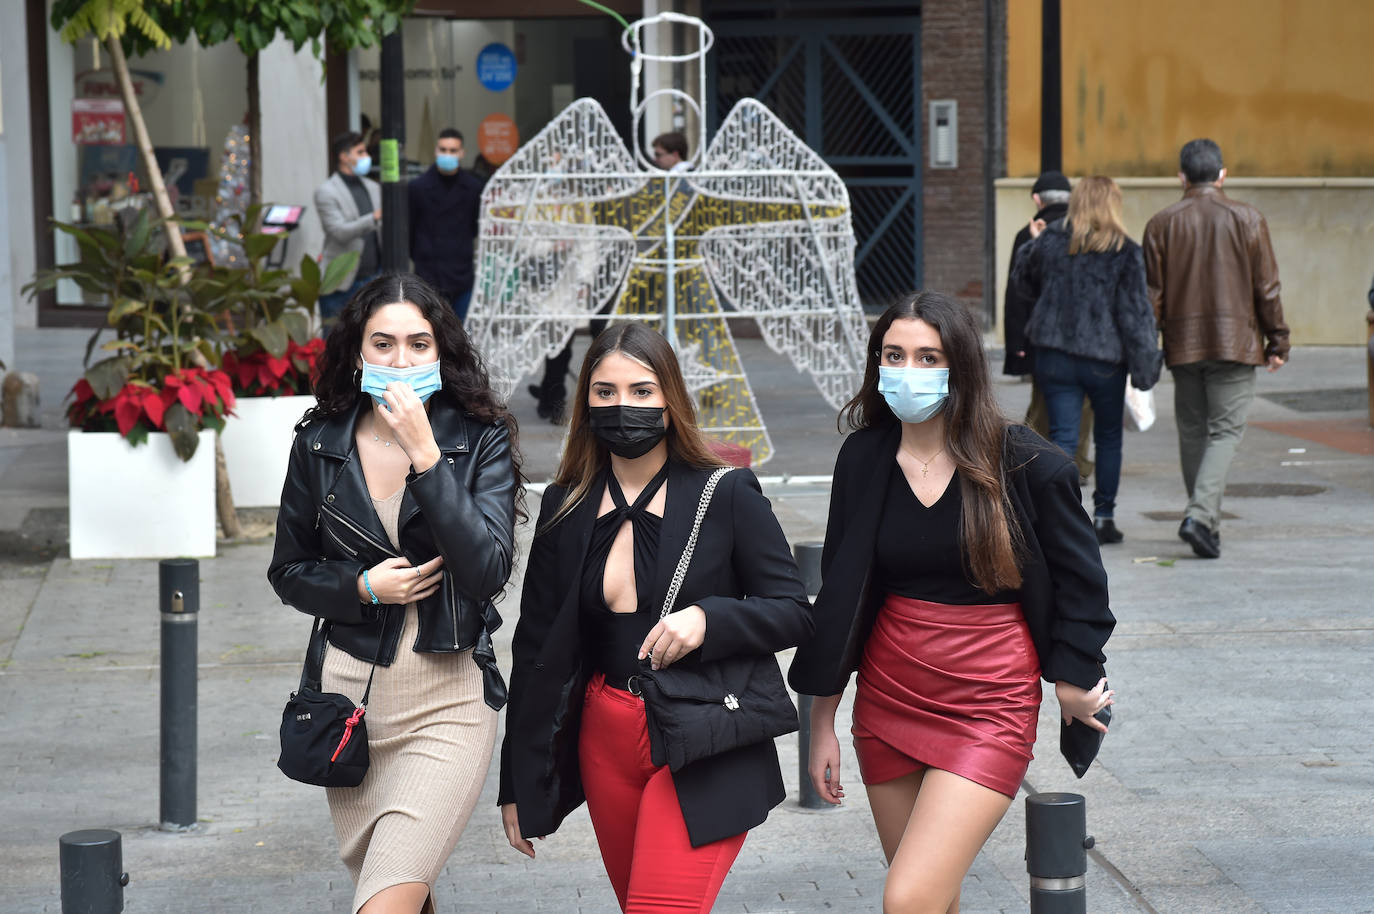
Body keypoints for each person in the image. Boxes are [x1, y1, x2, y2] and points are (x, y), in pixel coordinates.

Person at [788, 291, 1116, 914]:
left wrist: (1074, 678)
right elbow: (840, 596)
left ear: (959, 366)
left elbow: (1084, 585)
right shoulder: (863, 459)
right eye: (893, 354)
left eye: (926, 356)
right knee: (933, 902)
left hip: (987, 701)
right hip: (889, 697)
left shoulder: (1028, 464)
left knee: (907, 899)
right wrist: (822, 721)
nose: (906, 370)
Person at [499, 322, 812, 912]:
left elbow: (793, 612)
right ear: (585, 403)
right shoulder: (565, 505)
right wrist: (517, 783)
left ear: (671, 398)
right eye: (605, 392)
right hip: (604, 734)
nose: (623, 407)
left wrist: (708, 619)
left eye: (642, 392)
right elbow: (537, 649)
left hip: (702, 734)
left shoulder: (726, 494)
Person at [268, 273, 519, 914]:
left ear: (441, 353)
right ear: (358, 353)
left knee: (383, 902)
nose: (400, 361)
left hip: (448, 700)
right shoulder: (319, 443)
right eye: (383, 344)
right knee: (398, 893)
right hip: (350, 705)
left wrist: (426, 454)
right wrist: (361, 587)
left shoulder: (478, 437)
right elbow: (288, 570)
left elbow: (488, 569)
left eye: (418, 344)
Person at [1143, 139, 1290, 559]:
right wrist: (1277, 338)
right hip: (1235, 343)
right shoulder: (1248, 218)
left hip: (1183, 344)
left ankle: (1204, 520)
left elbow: (1152, 297)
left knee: (1193, 431)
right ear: (1223, 174)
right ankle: (1201, 516)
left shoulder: (1161, 223)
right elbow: (1267, 288)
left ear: (1181, 177)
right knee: (1225, 432)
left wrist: (1147, 347)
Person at [1011, 176, 1161, 544]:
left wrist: (1031, 247)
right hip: (1105, 359)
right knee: (1108, 438)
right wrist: (1145, 369)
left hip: (1055, 354)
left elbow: (1022, 283)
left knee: (1062, 435)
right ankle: (1104, 517)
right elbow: (1136, 316)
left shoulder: (1050, 241)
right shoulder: (1126, 250)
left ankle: (1061, 517)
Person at [1003, 170, 1094, 480]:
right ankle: (1078, 464)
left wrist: (1017, 348)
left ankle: (1029, 462)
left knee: (1042, 405)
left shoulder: (1029, 236)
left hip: (1043, 341)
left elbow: (1017, 296)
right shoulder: (1090, 232)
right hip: (1088, 340)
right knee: (1083, 405)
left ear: (1036, 199)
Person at [408, 128, 483, 321]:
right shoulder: (417, 187)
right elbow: (410, 229)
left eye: (452, 150)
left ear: (461, 153)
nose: (447, 154)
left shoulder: (473, 188)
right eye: (443, 149)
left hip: (461, 274)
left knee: (461, 335)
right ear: (436, 151)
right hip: (429, 274)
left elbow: (475, 226)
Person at [317, 132, 383, 323]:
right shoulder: (326, 192)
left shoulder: (373, 187)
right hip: (341, 282)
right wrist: (374, 217)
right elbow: (339, 232)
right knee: (335, 341)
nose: (367, 157)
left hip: (372, 279)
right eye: (360, 152)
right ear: (344, 157)